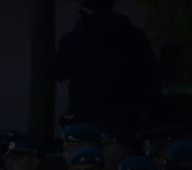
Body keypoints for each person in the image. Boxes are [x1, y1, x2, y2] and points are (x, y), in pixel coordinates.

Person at [52, 0, 161, 132]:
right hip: (125, 115)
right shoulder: (133, 36)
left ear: (84, 10)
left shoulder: (75, 38)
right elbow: (151, 76)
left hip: (86, 116)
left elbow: (58, 72)